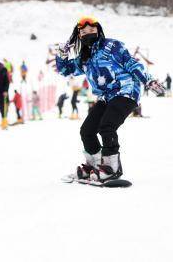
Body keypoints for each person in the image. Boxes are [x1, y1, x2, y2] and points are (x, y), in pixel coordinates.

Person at [55, 16, 164, 182]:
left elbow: (132, 64)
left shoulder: (111, 46)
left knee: (107, 126)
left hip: (126, 91)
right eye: (84, 32)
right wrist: (62, 55)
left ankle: (112, 167)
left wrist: (147, 80)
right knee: (87, 130)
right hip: (106, 97)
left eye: (92, 30)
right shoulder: (84, 57)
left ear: (98, 31)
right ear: (79, 36)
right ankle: (94, 164)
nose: (88, 34)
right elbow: (66, 71)